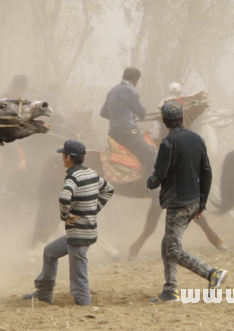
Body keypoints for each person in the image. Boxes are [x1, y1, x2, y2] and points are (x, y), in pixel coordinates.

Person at [147, 102, 228, 302]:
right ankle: (169, 290)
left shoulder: (167, 143)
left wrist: (150, 182)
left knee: (173, 249)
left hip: (177, 203)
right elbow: (207, 173)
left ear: (165, 122)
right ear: (182, 118)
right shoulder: (197, 139)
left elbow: (160, 173)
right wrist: (202, 203)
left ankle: (212, 273)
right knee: (167, 243)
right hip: (193, 201)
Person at [23, 140, 114, 306]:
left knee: (79, 273)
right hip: (87, 231)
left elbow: (64, 197)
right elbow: (109, 189)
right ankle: (45, 292)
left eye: (62, 155)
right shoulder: (92, 173)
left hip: (78, 234)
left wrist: (65, 216)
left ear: (67, 157)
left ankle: (84, 303)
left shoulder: (72, 177)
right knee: (50, 251)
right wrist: (94, 209)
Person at [100, 67, 156, 171]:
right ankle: (151, 186)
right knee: (153, 157)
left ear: (123, 77)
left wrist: (117, 117)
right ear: (136, 80)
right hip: (128, 135)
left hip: (113, 134)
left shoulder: (112, 91)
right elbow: (142, 114)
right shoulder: (130, 91)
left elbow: (103, 113)